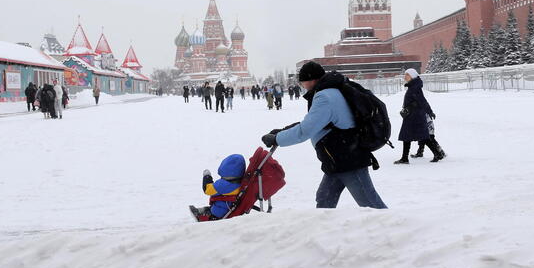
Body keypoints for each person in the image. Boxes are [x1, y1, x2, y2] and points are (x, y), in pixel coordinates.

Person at [261, 61, 387, 209]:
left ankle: (394, 230)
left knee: (371, 205)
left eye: (303, 82)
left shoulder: (324, 97)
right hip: (337, 160)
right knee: (325, 199)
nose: (303, 86)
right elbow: (316, 124)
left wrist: (277, 139)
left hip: (348, 160)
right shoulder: (330, 91)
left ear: (312, 80)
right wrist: (282, 131)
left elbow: (305, 131)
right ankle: (323, 229)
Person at [394, 68, 443, 164]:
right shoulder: (413, 86)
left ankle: (405, 158)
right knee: (414, 136)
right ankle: (436, 154)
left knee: (415, 136)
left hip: (415, 117)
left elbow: (422, 101)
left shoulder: (415, 88)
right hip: (412, 116)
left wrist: (430, 111)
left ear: (412, 76)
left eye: (407, 75)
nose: (405, 77)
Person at [189, 154, 246, 221]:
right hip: (228, 206)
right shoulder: (241, 182)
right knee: (212, 208)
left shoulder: (223, 185)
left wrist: (207, 176)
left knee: (212, 211)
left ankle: (202, 217)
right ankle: (202, 211)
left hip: (220, 211)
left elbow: (207, 189)